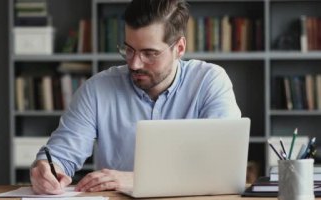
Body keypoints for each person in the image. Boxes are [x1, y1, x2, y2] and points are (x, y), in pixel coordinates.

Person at [30, 0, 241, 195]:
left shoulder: (209, 82)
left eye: (149, 53)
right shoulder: (97, 89)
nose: (135, 64)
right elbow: (61, 154)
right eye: (129, 50)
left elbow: (221, 166)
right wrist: (47, 169)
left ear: (179, 48)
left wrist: (138, 180)